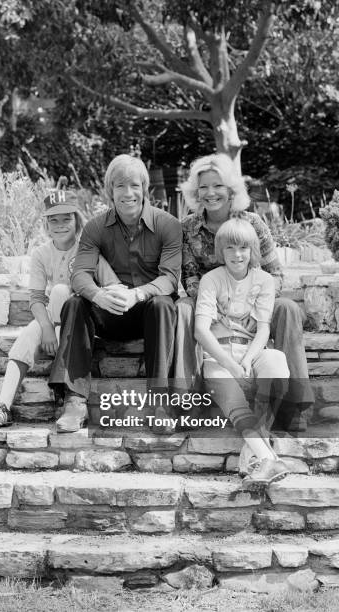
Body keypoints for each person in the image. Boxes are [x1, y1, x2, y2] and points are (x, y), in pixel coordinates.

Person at [174, 153, 314, 433]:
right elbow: (190, 277)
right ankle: (189, 398)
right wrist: (216, 307)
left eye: (218, 185)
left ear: (231, 189)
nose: (210, 193)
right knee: (183, 307)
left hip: (253, 303)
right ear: (195, 191)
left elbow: (275, 274)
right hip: (210, 303)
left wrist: (252, 306)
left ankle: (295, 403)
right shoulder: (188, 227)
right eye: (203, 187)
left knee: (287, 307)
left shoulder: (253, 222)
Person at [49, 154, 182, 433]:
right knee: (75, 304)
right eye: (120, 186)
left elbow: (170, 278)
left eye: (134, 185)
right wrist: (98, 295)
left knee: (163, 305)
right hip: (108, 312)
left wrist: (138, 295)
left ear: (145, 188)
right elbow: (80, 274)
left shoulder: (167, 224)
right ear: (110, 191)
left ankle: (160, 403)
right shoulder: (96, 227)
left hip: (147, 314)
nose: (128, 193)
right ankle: (74, 401)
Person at [0, 190, 119, 429]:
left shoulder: (88, 250)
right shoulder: (41, 253)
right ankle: (3, 408)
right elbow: (35, 297)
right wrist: (46, 328)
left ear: (77, 220)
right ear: (45, 223)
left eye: (66, 219)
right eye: (53, 220)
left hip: (77, 327)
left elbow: (113, 285)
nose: (59, 225)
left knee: (60, 291)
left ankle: (70, 397)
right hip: (52, 324)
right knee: (26, 338)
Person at [195, 216, 290, 489]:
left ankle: (255, 455)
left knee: (276, 362)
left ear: (253, 250)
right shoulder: (211, 280)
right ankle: (267, 456)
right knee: (228, 389)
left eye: (243, 248)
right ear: (220, 251)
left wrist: (247, 360)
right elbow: (201, 331)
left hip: (252, 348)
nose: (237, 255)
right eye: (229, 248)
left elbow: (263, 330)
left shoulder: (265, 280)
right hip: (219, 351)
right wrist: (231, 365)